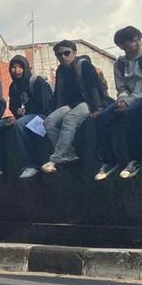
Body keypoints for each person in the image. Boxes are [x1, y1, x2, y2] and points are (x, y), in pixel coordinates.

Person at [0, 55, 54, 181]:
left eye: (19, 67)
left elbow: (44, 104)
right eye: (13, 67)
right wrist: (17, 112)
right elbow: (13, 105)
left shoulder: (37, 81)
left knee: (20, 124)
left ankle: (30, 164)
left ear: (25, 67)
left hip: (41, 115)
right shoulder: (13, 86)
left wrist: (25, 112)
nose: (16, 70)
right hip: (21, 116)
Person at [43, 40, 106, 173]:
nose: (63, 57)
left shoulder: (84, 65)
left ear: (75, 53)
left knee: (70, 119)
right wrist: (56, 109)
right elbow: (59, 93)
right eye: (59, 55)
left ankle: (56, 157)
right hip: (70, 104)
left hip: (88, 102)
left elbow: (94, 87)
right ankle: (69, 154)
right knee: (49, 121)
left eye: (67, 53)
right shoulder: (60, 70)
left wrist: (98, 107)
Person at [95, 26, 142, 180]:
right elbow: (121, 87)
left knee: (130, 115)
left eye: (138, 39)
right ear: (122, 46)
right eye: (132, 41)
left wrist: (128, 102)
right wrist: (122, 100)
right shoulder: (119, 63)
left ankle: (135, 160)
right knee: (102, 117)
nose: (137, 43)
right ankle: (109, 161)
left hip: (138, 99)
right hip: (128, 99)